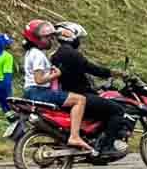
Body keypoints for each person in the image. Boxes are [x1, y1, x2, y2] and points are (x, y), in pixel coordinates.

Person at [51, 22, 127, 155]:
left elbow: (78, 75)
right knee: (117, 110)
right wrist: (115, 73)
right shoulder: (72, 54)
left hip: (67, 94)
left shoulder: (55, 55)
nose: (79, 41)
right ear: (71, 36)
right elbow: (92, 69)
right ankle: (107, 146)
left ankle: (96, 139)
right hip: (80, 95)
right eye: (78, 38)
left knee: (103, 106)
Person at [21, 19, 93, 152]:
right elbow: (39, 79)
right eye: (47, 37)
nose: (51, 40)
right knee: (80, 100)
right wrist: (57, 74)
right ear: (37, 39)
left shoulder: (30, 53)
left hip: (31, 91)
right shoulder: (38, 55)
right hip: (39, 92)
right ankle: (75, 136)